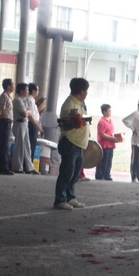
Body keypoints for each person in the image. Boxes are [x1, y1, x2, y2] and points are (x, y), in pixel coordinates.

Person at [54, 77, 90, 210]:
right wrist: (76, 122)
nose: (87, 93)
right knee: (66, 172)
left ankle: (71, 197)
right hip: (70, 142)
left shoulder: (80, 103)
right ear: (81, 91)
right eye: (86, 91)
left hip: (79, 144)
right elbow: (64, 124)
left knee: (75, 173)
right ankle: (60, 199)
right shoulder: (70, 104)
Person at [11, 83, 39, 175]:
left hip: (25, 123)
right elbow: (25, 113)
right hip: (19, 123)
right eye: (26, 90)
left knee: (27, 146)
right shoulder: (17, 100)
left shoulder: (24, 100)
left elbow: (28, 113)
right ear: (21, 91)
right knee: (19, 146)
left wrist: (27, 112)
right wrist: (27, 112)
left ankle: (29, 167)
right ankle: (17, 167)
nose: (28, 92)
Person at [122, 97, 139, 184]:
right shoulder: (135, 114)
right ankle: (134, 177)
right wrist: (133, 129)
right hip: (137, 141)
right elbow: (125, 120)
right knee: (136, 159)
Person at [0, 78, 15, 175]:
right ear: (8, 86)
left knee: (3, 145)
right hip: (4, 122)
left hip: (7, 122)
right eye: (12, 84)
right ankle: (3, 167)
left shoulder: (7, 96)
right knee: (4, 145)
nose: (14, 86)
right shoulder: (4, 97)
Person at [95, 103, 119, 181]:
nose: (110, 112)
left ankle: (107, 174)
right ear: (104, 112)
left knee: (109, 161)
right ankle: (100, 175)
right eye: (108, 111)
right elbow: (101, 134)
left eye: (110, 110)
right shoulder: (101, 122)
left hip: (110, 144)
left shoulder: (110, 120)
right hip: (104, 144)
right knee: (103, 161)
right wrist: (112, 138)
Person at [27, 83, 44, 162]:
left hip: (35, 123)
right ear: (33, 91)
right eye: (37, 90)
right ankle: (28, 163)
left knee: (33, 144)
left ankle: (29, 163)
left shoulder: (32, 100)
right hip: (32, 124)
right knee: (31, 144)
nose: (38, 92)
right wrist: (38, 126)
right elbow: (30, 116)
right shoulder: (29, 100)